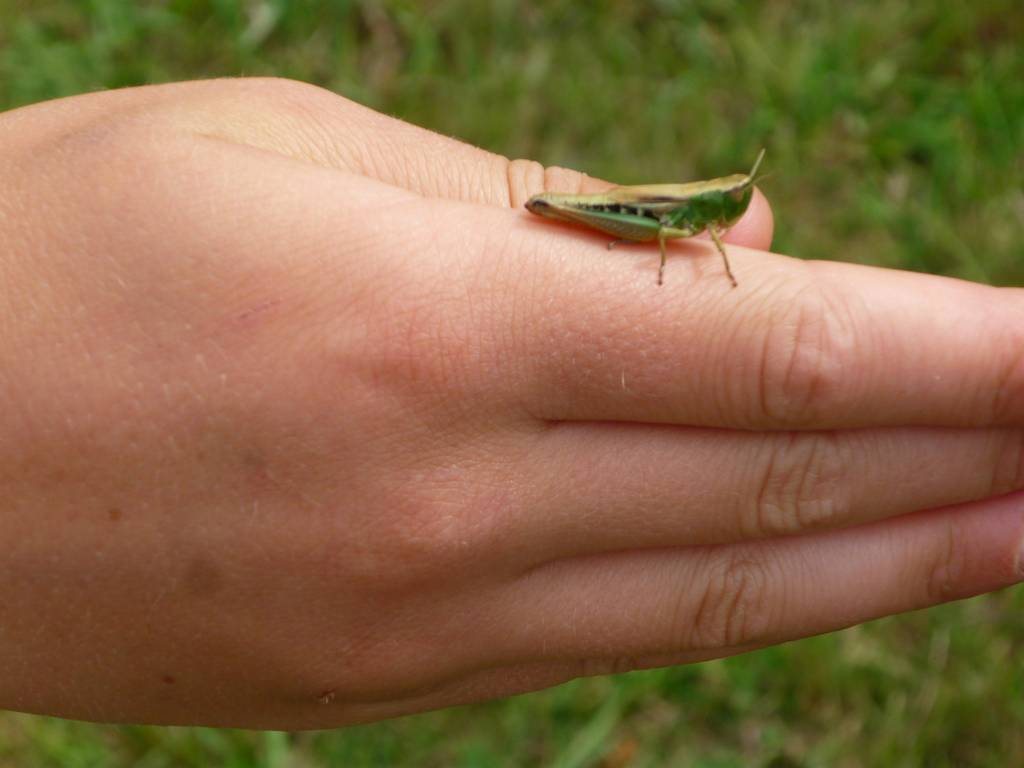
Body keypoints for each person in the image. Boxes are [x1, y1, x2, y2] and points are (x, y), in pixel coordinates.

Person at [1, 78, 1022, 730]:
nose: (726, 208)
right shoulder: (689, 228)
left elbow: (703, 227)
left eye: (720, 196)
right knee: (610, 217)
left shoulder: (706, 221)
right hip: (610, 221)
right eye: (725, 195)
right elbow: (671, 228)